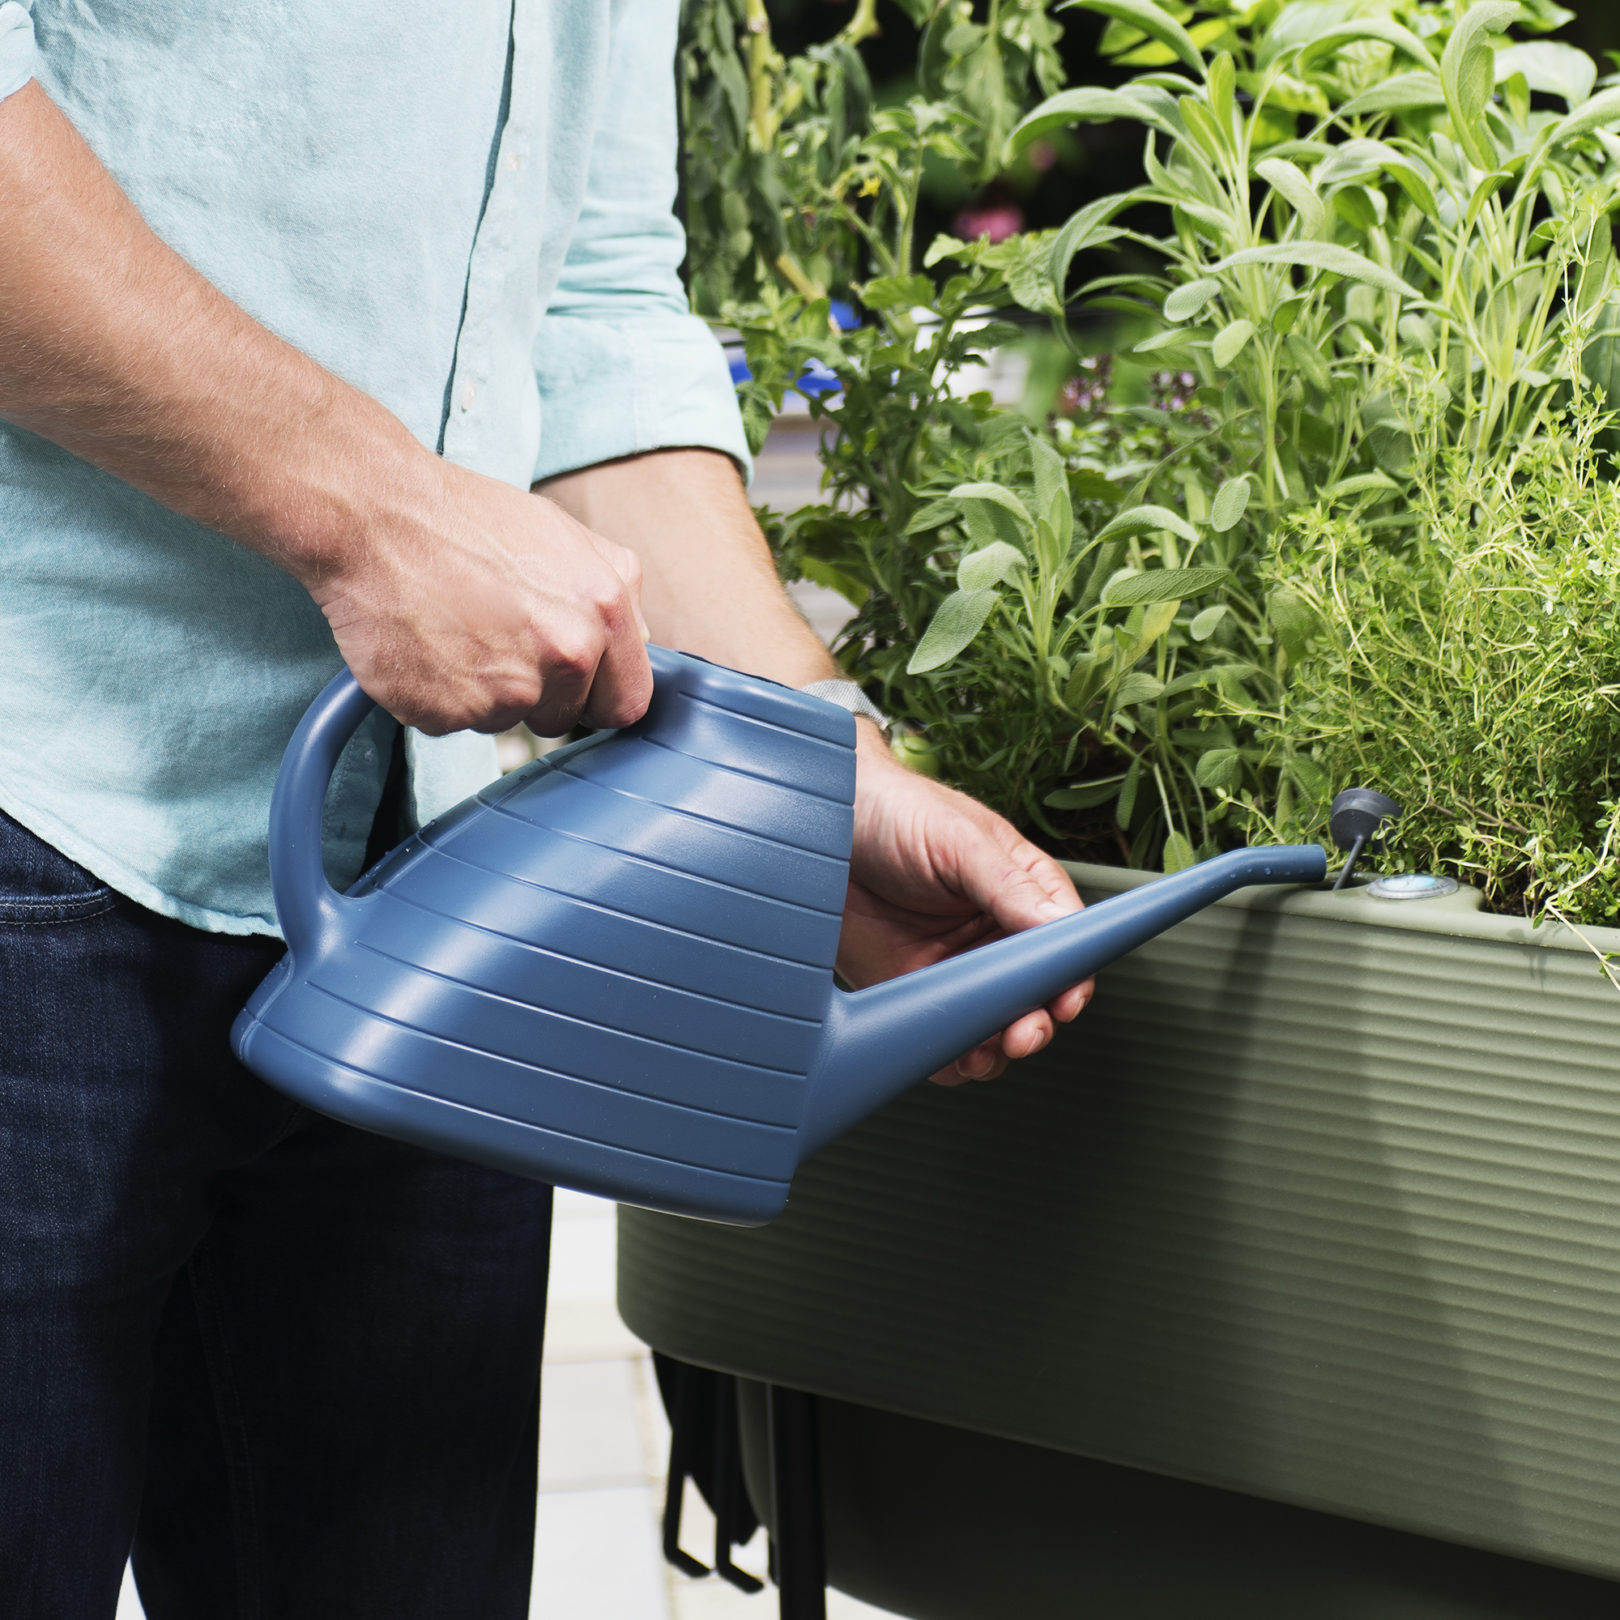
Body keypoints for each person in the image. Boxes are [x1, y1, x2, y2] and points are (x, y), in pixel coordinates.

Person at [0, 1, 1093, 1613]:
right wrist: (375, 517)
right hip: (40, 806)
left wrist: (815, 783)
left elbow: (582, 301)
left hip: (415, 899)